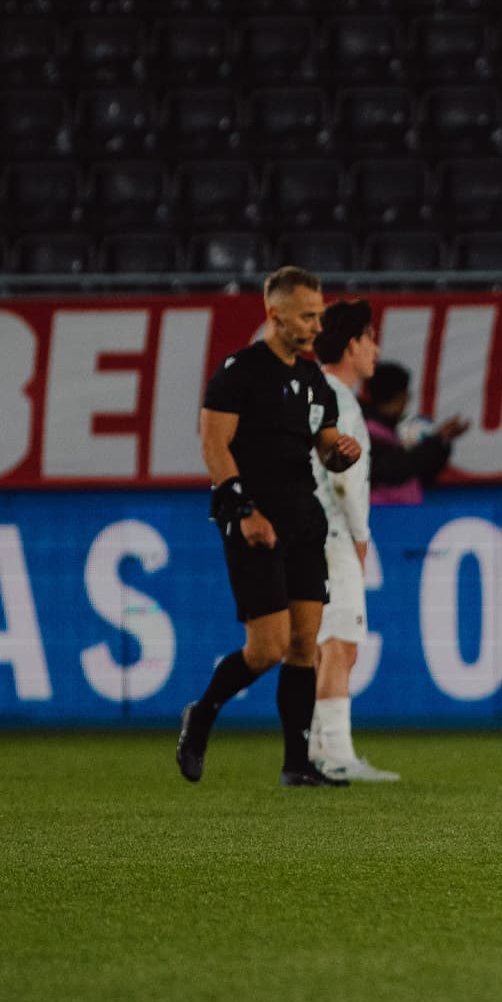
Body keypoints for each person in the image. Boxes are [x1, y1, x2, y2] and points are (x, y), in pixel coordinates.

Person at [176, 265, 362, 787]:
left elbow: (324, 447)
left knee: (306, 644)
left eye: (319, 316)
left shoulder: (313, 382)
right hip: (255, 518)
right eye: (306, 316)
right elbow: (213, 445)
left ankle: (296, 764)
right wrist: (242, 510)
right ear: (274, 314)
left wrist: (340, 453)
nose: (315, 326)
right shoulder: (239, 371)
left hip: (303, 516)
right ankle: (204, 711)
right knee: (267, 648)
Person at [307, 299, 398, 782]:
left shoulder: (312, 392)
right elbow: (343, 478)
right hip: (333, 532)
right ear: (351, 344)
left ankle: (320, 750)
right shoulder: (340, 400)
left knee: (326, 646)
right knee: (341, 645)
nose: (376, 349)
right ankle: (337, 755)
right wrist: (361, 539)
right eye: (370, 337)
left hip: (309, 531)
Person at [363, 361, 472, 505]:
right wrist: (437, 440)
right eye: (407, 395)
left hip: (402, 514)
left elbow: (421, 473)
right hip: (381, 516)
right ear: (400, 396)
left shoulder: (390, 431)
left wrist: (442, 441)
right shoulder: (366, 433)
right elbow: (396, 468)